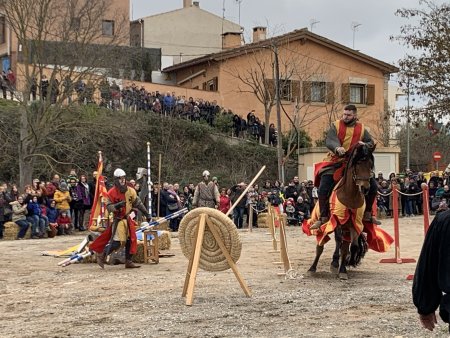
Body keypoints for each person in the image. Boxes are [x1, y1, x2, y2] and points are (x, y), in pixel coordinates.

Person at [310, 104, 380, 230]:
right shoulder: (335, 125)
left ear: (355, 115)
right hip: (336, 160)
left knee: (373, 185)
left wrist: (364, 144)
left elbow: (370, 142)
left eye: (348, 115)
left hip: (354, 162)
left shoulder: (362, 128)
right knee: (324, 187)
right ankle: (323, 217)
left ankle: (368, 213)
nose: (345, 117)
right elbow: (330, 140)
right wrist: (337, 148)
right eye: (344, 114)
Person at [90, 168, 151, 269]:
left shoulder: (131, 190)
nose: (122, 180)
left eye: (123, 178)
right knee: (118, 242)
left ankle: (128, 261)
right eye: (120, 178)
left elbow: (138, 203)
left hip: (127, 218)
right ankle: (102, 254)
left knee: (131, 240)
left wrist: (147, 214)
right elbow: (109, 207)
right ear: (116, 179)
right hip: (118, 219)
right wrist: (117, 206)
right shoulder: (111, 192)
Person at [412, 209, 450, 333]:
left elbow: (429, 264)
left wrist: (426, 306)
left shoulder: (444, 219)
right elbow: (430, 264)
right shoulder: (445, 220)